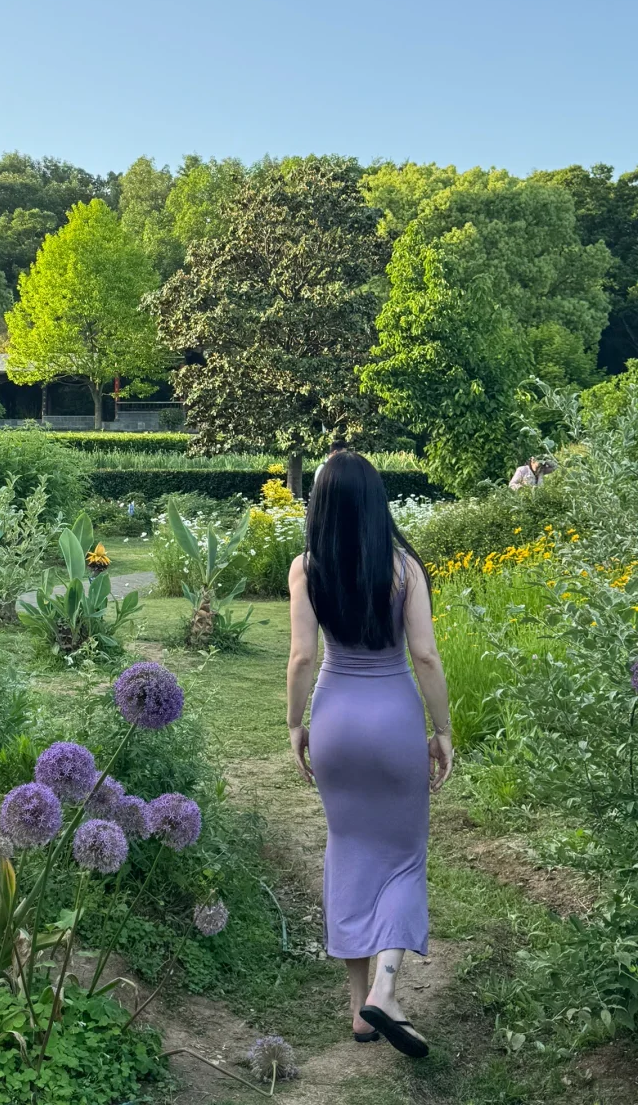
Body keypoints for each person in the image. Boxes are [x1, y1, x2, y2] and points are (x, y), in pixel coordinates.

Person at [286, 451, 453, 1059]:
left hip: (335, 717)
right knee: (404, 859)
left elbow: (302, 657)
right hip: (392, 719)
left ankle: (359, 1011)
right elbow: (426, 657)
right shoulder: (405, 567)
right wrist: (443, 730)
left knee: (349, 852)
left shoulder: (306, 567)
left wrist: (294, 724)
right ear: (378, 501)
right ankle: (386, 987)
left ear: (320, 505)